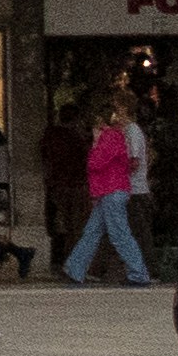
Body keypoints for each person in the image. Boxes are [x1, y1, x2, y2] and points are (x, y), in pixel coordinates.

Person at [69, 107, 153, 287]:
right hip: (109, 191)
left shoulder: (110, 137)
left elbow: (95, 164)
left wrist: (95, 144)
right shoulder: (114, 137)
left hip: (112, 191)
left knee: (118, 234)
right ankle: (75, 268)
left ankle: (138, 273)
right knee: (93, 231)